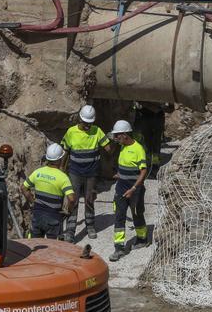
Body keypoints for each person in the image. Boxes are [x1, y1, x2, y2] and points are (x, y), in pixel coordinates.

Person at [61, 105, 109, 242]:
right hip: (75, 172)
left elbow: (109, 150)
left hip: (92, 173)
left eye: (90, 123)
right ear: (80, 120)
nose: (88, 126)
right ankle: (70, 231)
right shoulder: (71, 132)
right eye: (86, 123)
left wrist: (111, 139)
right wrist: (61, 170)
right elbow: (66, 152)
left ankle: (90, 225)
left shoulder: (97, 131)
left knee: (89, 199)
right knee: (73, 200)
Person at [105, 120, 148, 262]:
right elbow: (126, 166)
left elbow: (143, 172)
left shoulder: (138, 149)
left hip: (135, 189)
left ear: (125, 135)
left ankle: (142, 239)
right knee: (119, 216)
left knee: (137, 214)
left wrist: (133, 188)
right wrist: (119, 175)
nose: (116, 139)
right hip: (121, 187)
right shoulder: (122, 147)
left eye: (117, 136)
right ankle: (119, 248)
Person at [21, 143, 75, 239]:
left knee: (35, 245)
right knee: (53, 248)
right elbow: (71, 199)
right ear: (60, 159)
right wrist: (69, 211)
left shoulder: (38, 172)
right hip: (53, 217)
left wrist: (32, 202)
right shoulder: (63, 177)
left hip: (37, 215)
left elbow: (24, 188)